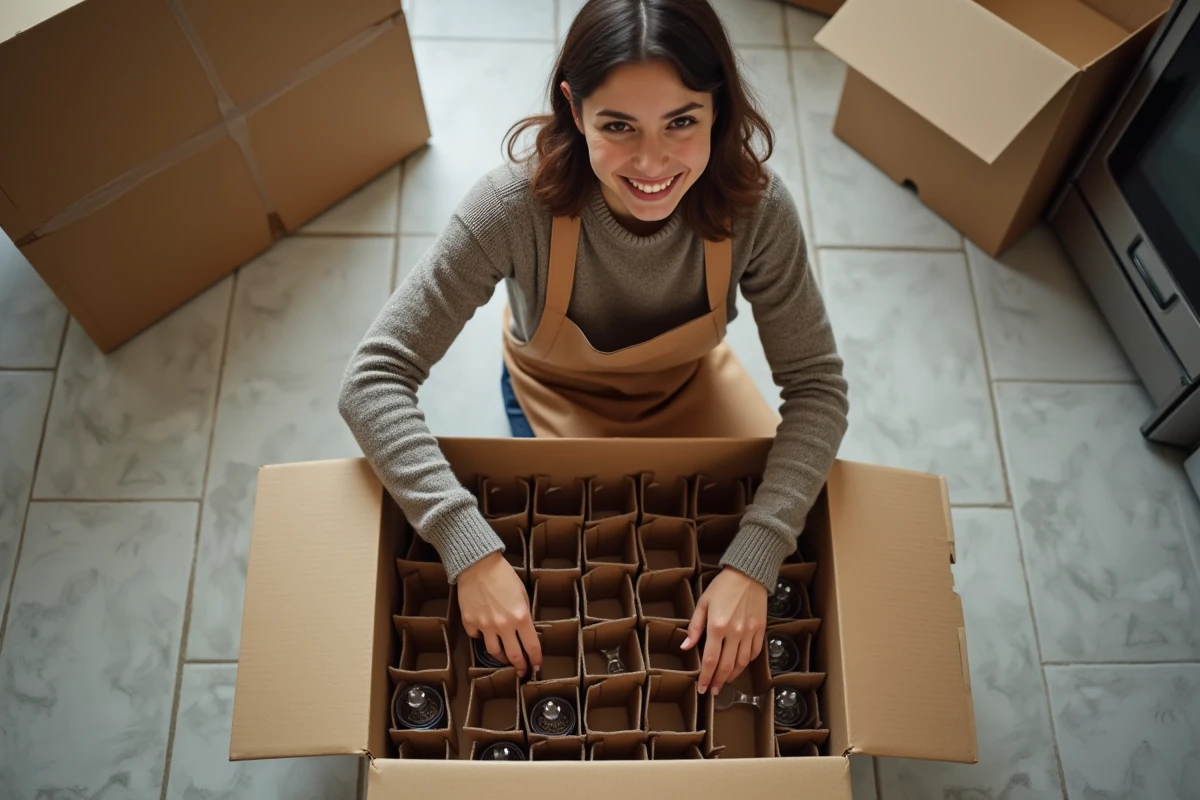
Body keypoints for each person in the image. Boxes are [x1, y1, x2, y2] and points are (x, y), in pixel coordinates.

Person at [339, 0, 848, 698]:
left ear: (719, 108)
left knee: (774, 545)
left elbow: (818, 387)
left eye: (682, 122)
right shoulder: (509, 211)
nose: (651, 164)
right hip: (552, 399)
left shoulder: (758, 211)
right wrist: (467, 549)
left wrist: (754, 561)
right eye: (617, 126)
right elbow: (372, 379)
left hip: (688, 388)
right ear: (573, 109)